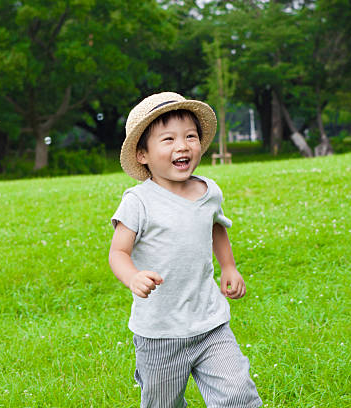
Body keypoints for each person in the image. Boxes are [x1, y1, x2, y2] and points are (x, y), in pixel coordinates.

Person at [109, 92, 262, 407]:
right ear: (142, 154)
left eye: (190, 136)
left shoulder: (208, 191)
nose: (182, 146)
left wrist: (229, 266)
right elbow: (118, 253)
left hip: (210, 323)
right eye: (168, 139)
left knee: (237, 395)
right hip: (159, 332)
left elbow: (216, 226)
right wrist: (133, 277)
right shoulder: (138, 201)